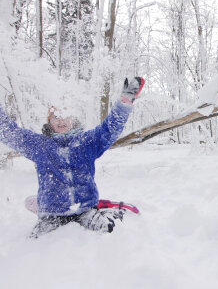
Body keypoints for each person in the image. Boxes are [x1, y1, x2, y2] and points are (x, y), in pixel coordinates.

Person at [0, 77, 145, 238]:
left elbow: (110, 129)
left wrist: (124, 103)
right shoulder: (40, 145)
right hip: (52, 213)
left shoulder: (86, 142)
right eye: (56, 116)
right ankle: (39, 204)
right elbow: (11, 134)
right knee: (36, 242)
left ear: (72, 118)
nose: (61, 120)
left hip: (85, 209)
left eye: (65, 115)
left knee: (107, 231)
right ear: (49, 121)